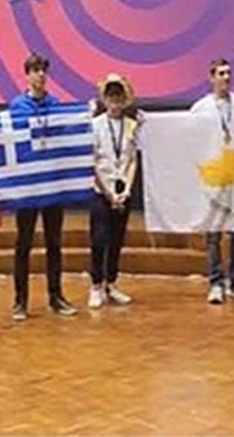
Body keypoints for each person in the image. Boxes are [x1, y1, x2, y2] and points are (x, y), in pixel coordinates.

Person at [7, 52, 77, 321]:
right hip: (28, 184)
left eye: (43, 70)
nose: (40, 75)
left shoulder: (55, 104)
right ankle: (20, 300)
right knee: (23, 242)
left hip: (52, 183)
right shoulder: (17, 106)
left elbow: (64, 136)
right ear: (27, 75)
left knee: (54, 242)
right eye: (35, 70)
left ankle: (56, 296)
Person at [190, 58, 234, 303]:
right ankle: (215, 283)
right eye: (221, 73)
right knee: (213, 232)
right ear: (211, 77)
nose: (226, 77)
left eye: (229, 73)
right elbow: (186, 135)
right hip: (214, 178)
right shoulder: (201, 108)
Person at [88, 74, 141, 309]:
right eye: (111, 96)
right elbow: (92, 162)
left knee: (117, 239)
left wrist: (127, 189)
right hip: (101, 190)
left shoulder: (131, 125)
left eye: (119, 96)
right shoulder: (95, 124)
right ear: (105, 99)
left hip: (123, 189)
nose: (115, 101)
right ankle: (95, 285)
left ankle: (111, 283)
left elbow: (132, 159)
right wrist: (108, 193)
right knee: (99, 240)